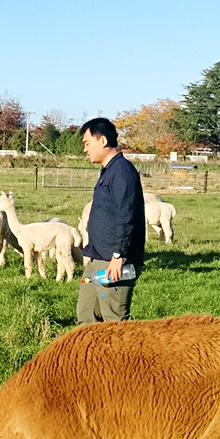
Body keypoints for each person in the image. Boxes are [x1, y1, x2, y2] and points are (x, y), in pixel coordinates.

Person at [76, 117, 145, 324]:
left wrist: (118, 255)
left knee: (115, 323)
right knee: (87, 317)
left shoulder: (122, 171)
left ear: (103, 141)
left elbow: (126, 215)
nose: (85, 150)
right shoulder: (108, 171)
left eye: (87, 143)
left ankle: (133, 356)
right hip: (97, 257)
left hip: (113, 261)